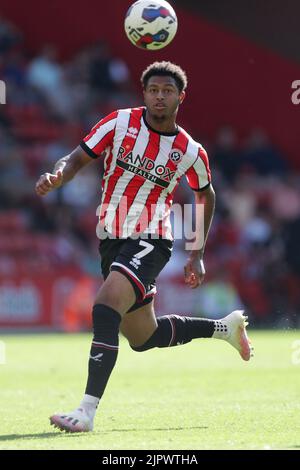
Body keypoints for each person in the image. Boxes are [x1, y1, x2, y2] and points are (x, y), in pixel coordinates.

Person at [35, 61, 253, 433]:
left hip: (152, 238)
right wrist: (57, 176)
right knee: (142, 337)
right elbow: (76, 158)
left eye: (167, 91)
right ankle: (225, 328)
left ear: (180, 97)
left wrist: (196, 252)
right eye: (153, 90)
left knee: (104, 308)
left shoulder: (189, 150)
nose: (159, 97)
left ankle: (86, 411)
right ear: (144, 93)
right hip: (112, 239)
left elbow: (206, 195)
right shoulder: (118, 123)